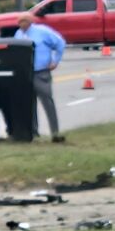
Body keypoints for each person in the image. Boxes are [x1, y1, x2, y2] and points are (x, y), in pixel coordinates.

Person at [17, 13, 66, 143]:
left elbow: (60, 43)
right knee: (28, 104)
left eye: (23, 21)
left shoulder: (43, 31)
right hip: (25, 74)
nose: (21, 24)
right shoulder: (18, 34)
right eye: (19, 22)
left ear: (29, 21)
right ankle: (32, 133)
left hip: (41, 72)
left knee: (47, 102)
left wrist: (55, 61)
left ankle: (55, 132)